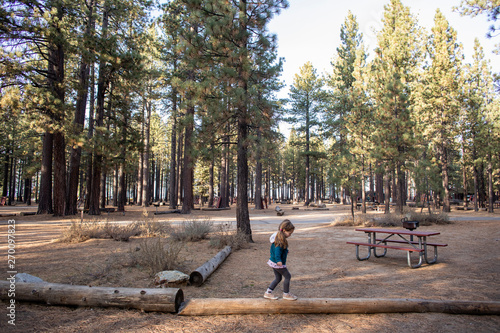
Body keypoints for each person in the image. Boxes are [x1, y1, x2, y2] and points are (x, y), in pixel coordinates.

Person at [264, 219, 297, 301]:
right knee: (287, 276)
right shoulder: (279, 241)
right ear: (284, 230)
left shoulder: (279, 238)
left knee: (278, 278)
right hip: (277, 263)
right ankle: (286, 294)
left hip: (273, 262)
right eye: (289, 233)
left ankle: (268, 292)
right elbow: (277, 251)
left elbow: (280, 249)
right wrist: (279, 260)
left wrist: (285, 251)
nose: (290, 235)